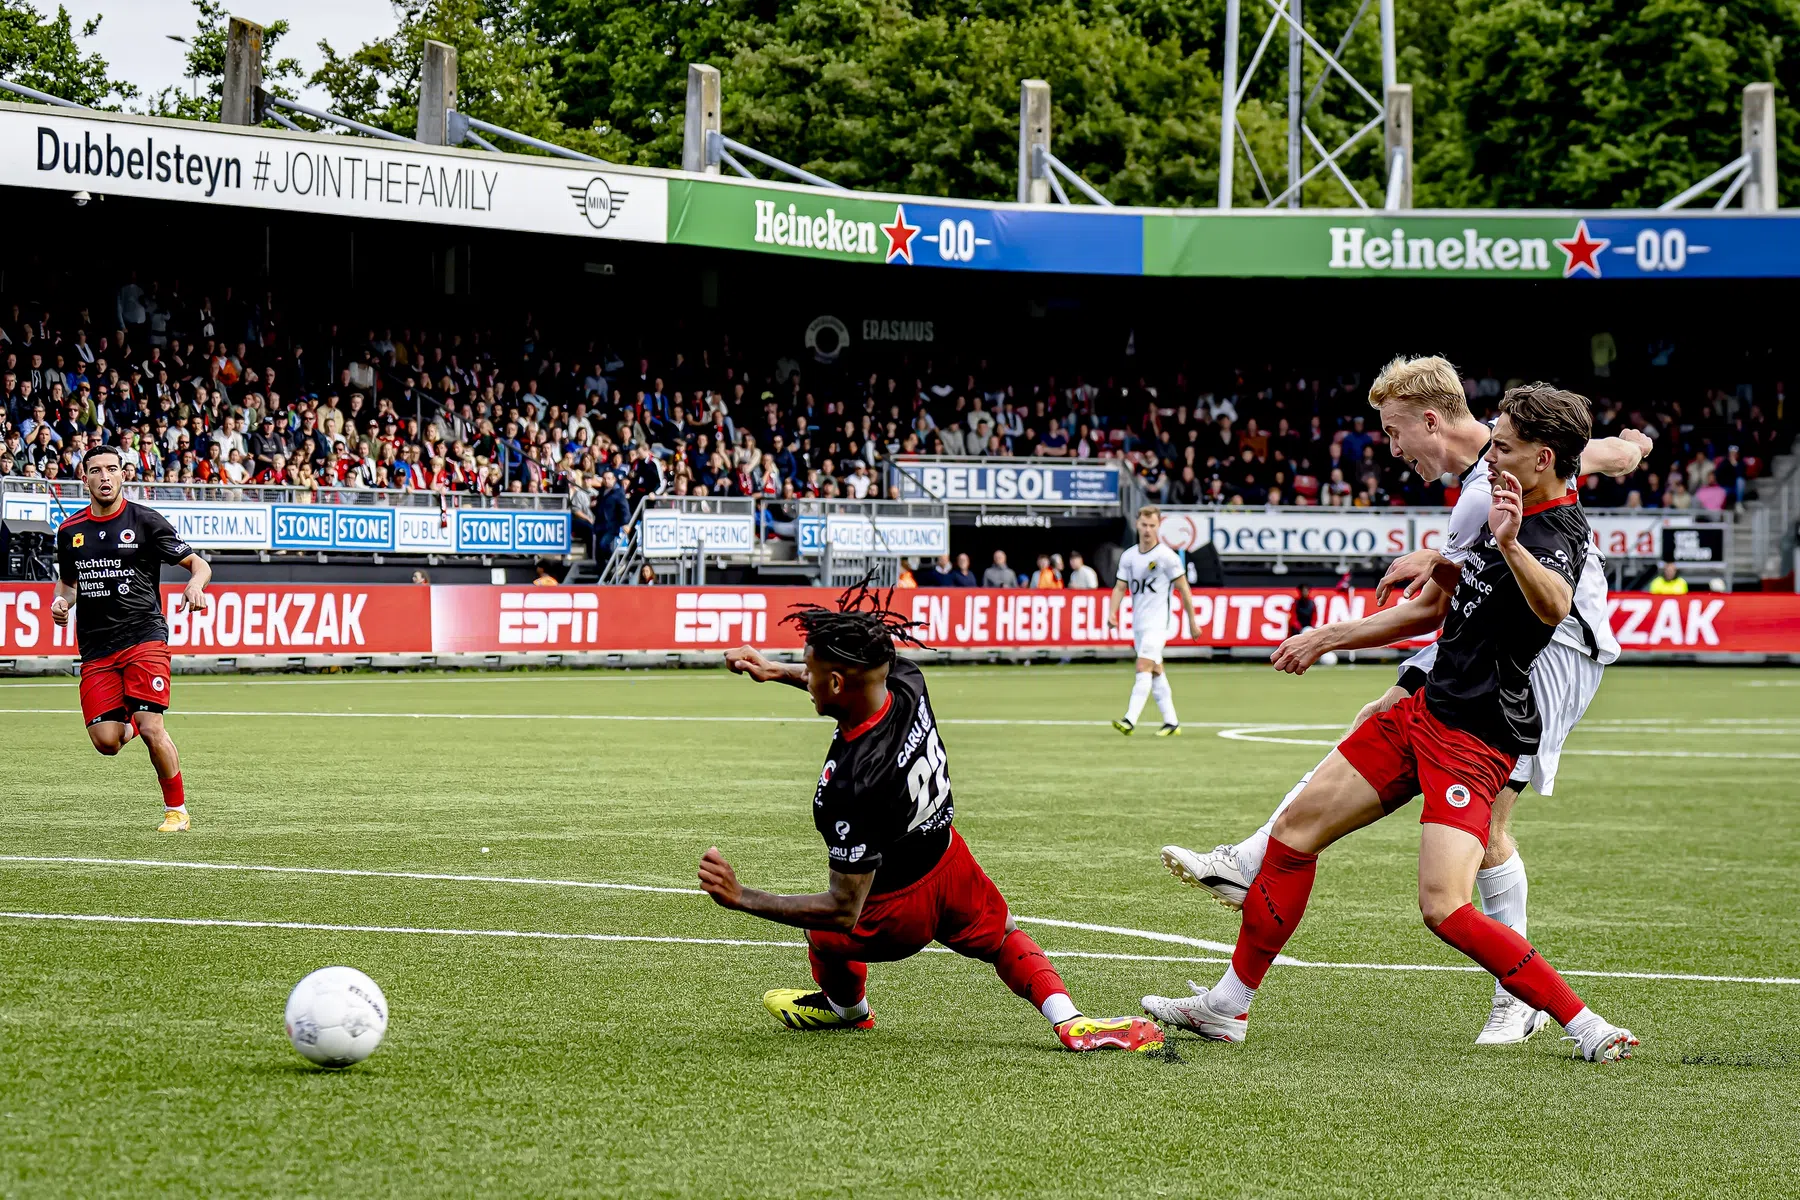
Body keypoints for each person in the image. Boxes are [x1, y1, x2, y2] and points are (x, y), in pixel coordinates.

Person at [1159, 358, 1648, 1046]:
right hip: (1460, 678)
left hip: (1542, 669)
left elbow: (1525, 605)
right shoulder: (1514, 467)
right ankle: (1232, 977)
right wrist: (1634, 449)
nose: (1391, 451)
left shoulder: (1515, 504)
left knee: (1470, 864)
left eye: (1393, 434)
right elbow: (1588, 463)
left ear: (1431, 421)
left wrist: (1349, 632)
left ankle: (1547, 1007)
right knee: (1322, 804)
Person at [701, 583, 1163, 1052]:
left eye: (813, 672)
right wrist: (777, 670)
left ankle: (848, 1011)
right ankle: (1070, 1019)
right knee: (1003, 937)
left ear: (838, 683)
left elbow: (843, 909)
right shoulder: (906, 679)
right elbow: (860, 680)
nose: (810, 679)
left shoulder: (851, 781)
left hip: (897, 909)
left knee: (821, 931)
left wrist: (742, 897)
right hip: (948, 858)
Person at [53, 445, 211, 832]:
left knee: (152, 725)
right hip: (95, 647)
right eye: (96, 471)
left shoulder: (145, 521)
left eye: (111, 469)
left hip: (144, 637)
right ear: (84, 478)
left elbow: (199, 563)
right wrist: (61, 602)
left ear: (124, 475)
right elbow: (69, 584)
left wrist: (195, 584)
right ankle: (135, 719)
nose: (104, 477)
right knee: (106, 741)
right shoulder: (70, 531)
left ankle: (177, 810)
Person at [1106, 506, 1196, 736]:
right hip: (1139, 624)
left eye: (1152, 525)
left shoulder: (1166, 557)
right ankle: (1171, 722)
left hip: (1158, 624)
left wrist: (1192, 622)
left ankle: (1129, 719)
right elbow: (1119, 587)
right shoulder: (1129, 556)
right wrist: (1112, 612)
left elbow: (1184, 588)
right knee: (1155, 670)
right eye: (1144, 525)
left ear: (1158, 526)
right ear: (1137, 524)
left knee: (1142, 666)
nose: (1147, 530)